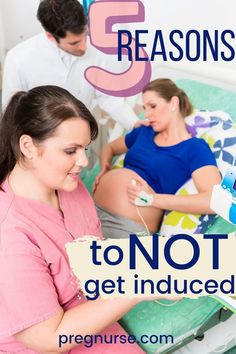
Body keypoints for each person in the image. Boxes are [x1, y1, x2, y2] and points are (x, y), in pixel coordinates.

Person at [0, 85, 148, 353]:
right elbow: (48, 338)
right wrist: (141, 289)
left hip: (88, 316)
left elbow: (94, 255)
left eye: (85, 148)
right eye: (71, 151)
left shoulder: (71, 187)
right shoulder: (9, 234)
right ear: (28, 146)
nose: (83, 160)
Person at [93, 79, 222, 239]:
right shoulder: (144, 132)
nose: (147, 114)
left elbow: (213, 200)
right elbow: (110, 147)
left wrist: (152, 199)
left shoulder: (194, 148)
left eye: (153, 106)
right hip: (91, 211)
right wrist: (105, 168)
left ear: (173, 103)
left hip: (125, 227)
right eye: (145, 108)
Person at [2, 0, 141, 131]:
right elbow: (11, 112)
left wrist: (134, 123)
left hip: (80, 137)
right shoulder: (18, 58)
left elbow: (108, 97)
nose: (83, 47)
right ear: (50, 36)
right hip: (39, 142)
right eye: (74, 43)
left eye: (84, 36)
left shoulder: (95, 52)